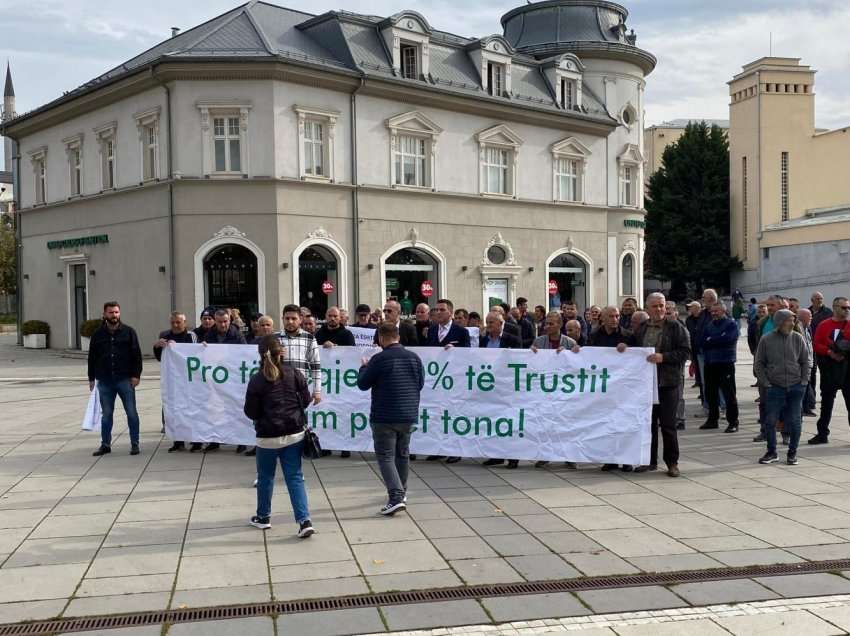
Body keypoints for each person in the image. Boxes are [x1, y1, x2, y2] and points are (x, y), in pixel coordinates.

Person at [243, 335, 314, 538]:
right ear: (281, 352)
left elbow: (250, 412)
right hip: (294, 432)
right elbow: (306, 400)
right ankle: (304, 520)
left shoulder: (257, 380)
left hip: (267, 436)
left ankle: (263, 517)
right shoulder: (294, 373)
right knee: (295, 477)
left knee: (265, 477)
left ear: (260, 354)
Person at [357, 323, 425, 515]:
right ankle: (401, 493)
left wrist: (363, 368)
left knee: (386, 456)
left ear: (381, 338)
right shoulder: (414, 358)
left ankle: (395, 496)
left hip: (384, 415)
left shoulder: (378, 359)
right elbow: (419, 384)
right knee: (402, 454)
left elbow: (362, 384)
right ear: (398, 336)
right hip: (408, 415)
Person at [627, 293, 690, 477]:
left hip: (668, 382)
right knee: (649, 424)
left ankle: (672, 462)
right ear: (647, 308)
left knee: (669, 425)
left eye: (661, 305)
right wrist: (623, 347)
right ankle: (650, 461)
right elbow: (633, 348)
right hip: (646, 384)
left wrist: (664, 357)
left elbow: (686, 352)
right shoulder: (642, 328)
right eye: (654, 306)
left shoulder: (676, 327)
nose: (659, 309)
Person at [755, 309, 812, 465]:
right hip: (775, 387)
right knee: (770, 420)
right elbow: (759, 363)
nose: (792, 323)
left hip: (796, 386)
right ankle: (772, 452)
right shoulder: (766, 339)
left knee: (795, 421)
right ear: (780, 322)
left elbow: (806, 361)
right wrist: (766, 382)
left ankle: (792, 453)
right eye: (789, 320)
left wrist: (804, 381)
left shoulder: (798, 338)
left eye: (793, 320)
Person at [88, 302, 143, 457]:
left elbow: (136, 356)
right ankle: (105, 444)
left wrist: (136, 375)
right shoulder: (97, 335)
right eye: (111, 312)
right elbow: (92, 358)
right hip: (104, 380)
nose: (114, 315)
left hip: (125, 379)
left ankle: (135, 444)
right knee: (106, 415)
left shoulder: (129, 332)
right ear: (105, 314)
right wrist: (91, 378)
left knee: (131, 412)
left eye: (117, 312)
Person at [531, 311, 579, 470]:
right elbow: (531, 364)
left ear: (559, 325)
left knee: (566, 423)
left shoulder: (570, 342)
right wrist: (531, 354)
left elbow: (577, 366)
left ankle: (569, 456)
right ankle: (545, 455)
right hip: (545, 389)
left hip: (564, 390)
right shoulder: (538, 341)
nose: (548, 326)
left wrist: (571, 354)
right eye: (546, 323)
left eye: (551, 324)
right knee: (546, 423)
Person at [589, 306, 633, 472]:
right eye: (611, 316)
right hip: (604, 386)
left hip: (623, 387)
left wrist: (628, 349)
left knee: (624, 422)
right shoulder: (594, 336)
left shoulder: (627, 336)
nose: (615, 319)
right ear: (603, 318)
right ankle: (611, 458)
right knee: (607, 423)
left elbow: (637, 357)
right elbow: (588, 356)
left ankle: (627, 458)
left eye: (617, 316)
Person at [425, 299, 469, 463]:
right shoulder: (432, 330)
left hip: (454, 379)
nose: (438, 312)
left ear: (450, 312)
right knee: (437, 414)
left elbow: (469, 355)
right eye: (436, 310)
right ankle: (438, 448)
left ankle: (455, 449)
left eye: (442, 310)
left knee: (453, 414)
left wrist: (455, 351)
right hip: (437, 379)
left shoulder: (461, 332)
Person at [202, 309, 248, 452]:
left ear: (230, 321)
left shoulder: (238, 336)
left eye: (225, 321)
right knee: (215, 412)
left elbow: (245, 355)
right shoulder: (209, 336)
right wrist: (201, 347)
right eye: (220, 322)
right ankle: (215, 440)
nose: (223, 325)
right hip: (216, 380)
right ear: (215, 322)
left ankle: (241, 441)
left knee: (236, 410)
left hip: (232, 379)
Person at [153, 311, 198, 452]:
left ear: (184, 322)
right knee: (174, 409)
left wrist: (178, 347)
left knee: (191, 409)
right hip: (173, 380)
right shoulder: (164, 335)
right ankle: (177, 441)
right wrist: (157, 347)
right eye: (173, 322)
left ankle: (196, 440)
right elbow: (161, 358)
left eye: (179, 322)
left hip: (189, 380)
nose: (176, 325)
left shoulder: (191, 335)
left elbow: (195, 354)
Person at [809, 297, 850, 445]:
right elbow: (816, 344)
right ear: (835, 307)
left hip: (847, 371)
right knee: (826, 404)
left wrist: (844, 353)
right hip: (829, 370)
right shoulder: (824, 325)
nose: (847, 310)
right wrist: (829, 352)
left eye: (848, 308)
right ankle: (822, 434)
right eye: (844, 307)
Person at [699, 302, 740, 433]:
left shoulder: (731, 324)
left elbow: (729, 339)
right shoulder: (709, 326)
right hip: (710, 363)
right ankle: (712, 419)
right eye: (712, 311)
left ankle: (733, 422)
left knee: (729, 394)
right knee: (710, 393)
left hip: (725, 363)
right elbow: (702, 342)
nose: (714, 313)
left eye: (716, 311)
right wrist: (716, 339)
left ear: (724, 311)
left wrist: (712, 340)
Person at [666, 301, 688, 432]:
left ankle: (680, 419)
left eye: (669, 311)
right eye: (665, 310)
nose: (666, 313)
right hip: (664, 368)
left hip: (676, 366)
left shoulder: (680, 327)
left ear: (675, 313)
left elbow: (685, 350)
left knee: (678, 394)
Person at [797, 308, 816, 416]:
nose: (811, 318)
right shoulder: (798, 329)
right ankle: (803, 409)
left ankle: (806, 408)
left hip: (808, 364)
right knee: (803, 389)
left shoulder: (807, 328)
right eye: (809, 316)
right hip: (802, 366)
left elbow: (809, 346)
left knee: (806, 388)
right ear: (803, 317)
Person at [684, 301, 704, 398]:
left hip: (702, 348)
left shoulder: (703, 318)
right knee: (698, 369)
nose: (689, 309)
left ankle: (704, 391)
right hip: (693, 347)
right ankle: (700, 387)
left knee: (703, 371)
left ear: (697, 308)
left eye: (691, 307)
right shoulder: (689, 319)